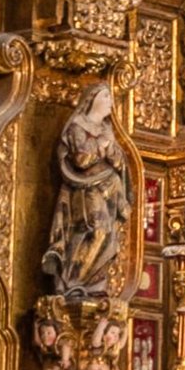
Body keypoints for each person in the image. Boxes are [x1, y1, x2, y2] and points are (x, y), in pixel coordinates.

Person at [41, 80, 131, 298]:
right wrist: (103, 146)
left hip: (107, 190)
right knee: (96, 230)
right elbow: (81, 159)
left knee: (109, 237)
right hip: (84, 190)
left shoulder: (106, 129)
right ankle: (72, 281)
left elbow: (119, 161)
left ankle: (92, 283)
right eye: (106, 96)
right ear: (93, 100)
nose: (111, 102)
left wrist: (112, 152)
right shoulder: (77, 126)